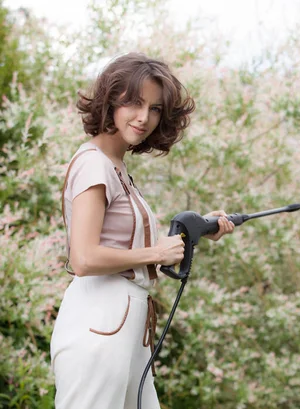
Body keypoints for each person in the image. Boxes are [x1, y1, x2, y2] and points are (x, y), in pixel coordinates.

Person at [50, 52, 235, 409]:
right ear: (111, 99)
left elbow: (122, 241)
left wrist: (200, 229)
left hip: (125, 325)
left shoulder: (113, 165)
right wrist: (156, 253)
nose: (144, 117)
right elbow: (84, 257)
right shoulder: (94, 165)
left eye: (155, 109)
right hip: (100, 323)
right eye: (135, 102)